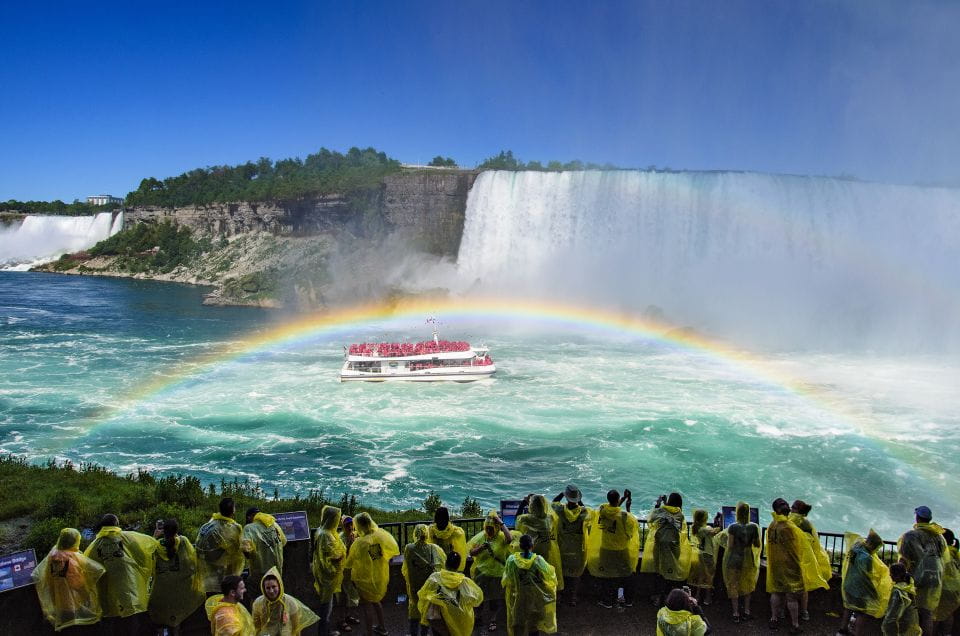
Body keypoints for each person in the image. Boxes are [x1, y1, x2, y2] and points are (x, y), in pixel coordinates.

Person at [84, 513, 160, 631]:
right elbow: (145, 553)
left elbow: (87, 569)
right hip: (129, 596)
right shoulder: (128, 538)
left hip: (107, 602)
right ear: (117, 525)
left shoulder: (94, 546)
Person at [32, 527, 106, 631]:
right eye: (78, 540)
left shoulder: (54, 554)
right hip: (72, 603)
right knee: (76, 627)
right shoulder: (68, 559)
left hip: (57, 602)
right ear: (73, 542)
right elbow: (76, 583)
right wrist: (86, 593)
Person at [343, 512, 400, 636]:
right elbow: (386, 554)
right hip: (379, 577)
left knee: (367, 606)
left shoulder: (360, 543)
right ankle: (382, 627)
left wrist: (350, 545)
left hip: (365, 580)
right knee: (376, 601)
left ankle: (369, 633)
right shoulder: (380, 536)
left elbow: (349, 563)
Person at [898, 505, 949, 635]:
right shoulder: (939, 537)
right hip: (935, 577)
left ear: (917, 518)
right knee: (927, 614)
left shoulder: (910, 536)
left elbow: (904, 558)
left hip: (917, 577)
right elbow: (942, 554)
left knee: (910, 610)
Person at [148, 518, 205, 634]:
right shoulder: (183, 541)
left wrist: (154, 536)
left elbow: (147, 559)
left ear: (163, 530)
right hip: (182, 594)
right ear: (177, 530)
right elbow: (192, 564)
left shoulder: (155, 545)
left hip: (161, 594)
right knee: (178, 616)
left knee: (158, 616)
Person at [586, 489, 639, 609]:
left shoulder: (602, 511)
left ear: (608, 499)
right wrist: (628, 507)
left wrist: (622, 500)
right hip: (621, 550)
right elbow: (631, 531)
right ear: (617, 499)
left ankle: (608, 601)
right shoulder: (625, 516)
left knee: (607, 576)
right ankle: (628, 600)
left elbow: (612, 511)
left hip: (605, 549)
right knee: (627, 575)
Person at [641, 492, 694, 607]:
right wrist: (665, 504)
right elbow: (674, 520)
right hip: (674, 546)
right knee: (670, 573)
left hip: (660, 545)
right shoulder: (680, 514)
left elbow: (651, 518)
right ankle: (669, 598)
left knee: (659, 572)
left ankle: (658, 597)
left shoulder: (661, 511)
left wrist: (659, 504)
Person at [502, 534, 558, 636]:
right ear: (532, 545)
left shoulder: (511, 560)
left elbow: (507, 580)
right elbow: (550, 576)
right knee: (533, 625)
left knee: (518, 624)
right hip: (535, 598)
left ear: (520, 546)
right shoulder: (539, 560)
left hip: (519, 598)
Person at [417, 551, 484, 636]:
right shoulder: (465, 582)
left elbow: (423, 594)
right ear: (458, 565)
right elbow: (478, 598)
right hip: (461, 620)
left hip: (441, 623)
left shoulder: (435, 578)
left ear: (445, 562)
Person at [467, 510, 513, 632]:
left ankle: (493, 619)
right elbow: (471, 552)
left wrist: (501, 522)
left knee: (495, 599)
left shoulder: (502, 537)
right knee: (480, 598)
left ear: (497, 527)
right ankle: (478, 617)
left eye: (491, 528)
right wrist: (482, 547)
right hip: (481, 574)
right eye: (487, 528)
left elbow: (510, 539)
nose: (489, 531)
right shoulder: (481, 537)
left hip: (497, 574)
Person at [839, 530, 891, 635]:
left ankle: (842, 630)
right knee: (861, 613)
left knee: (848, 608)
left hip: (848, 584)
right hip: (859, 589)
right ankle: (856, 633)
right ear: (873, 545)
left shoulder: (855, 548)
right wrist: (873, 592)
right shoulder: (867, 558)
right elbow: (866, 577)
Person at [765, 498, 805, 634]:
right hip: (789, 565)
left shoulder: (772, 524)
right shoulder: (788, 527)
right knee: (792, 596)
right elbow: (795, 548)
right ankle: (795, 624)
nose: (786, 506)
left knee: (776, 592)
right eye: (783, 505)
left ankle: (774, 618)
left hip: (776, 564)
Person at [551, 484, 594, 606]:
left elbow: (553, 503)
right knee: (576, 574)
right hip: (578, 549)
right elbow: (588, 513)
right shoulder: (583, 512)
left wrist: (561, 494)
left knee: (560, 573)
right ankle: (573, 598)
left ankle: (559, 597)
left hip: (562, 548)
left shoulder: (560, 511)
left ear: (566, 497)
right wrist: (579, 501)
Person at [789, 500, 831, 622]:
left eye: (793, 507)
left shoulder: (795, 522)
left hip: (795, 559)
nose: (791, 509)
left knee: (790, 588)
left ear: (797, 510)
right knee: (804, 588)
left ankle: (786, 612)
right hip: (805, 561)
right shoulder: (807, 524)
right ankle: (804, 611)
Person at [721, 501, 761, 624]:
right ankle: (747, 612)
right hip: (748, 560)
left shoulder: (732, 527)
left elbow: (730, 546)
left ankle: (735, 613)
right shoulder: (754, 527)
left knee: (733, 585)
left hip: (734, 559)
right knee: (748, 585)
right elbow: (757, 544)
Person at [402, 524, 445, 636]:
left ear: (415, 534)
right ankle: (424, 634)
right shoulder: (434, 549)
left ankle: (413, 634)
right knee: (426, 611)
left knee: (414, 612)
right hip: (428, 588)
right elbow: (441, 565)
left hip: (414, 588)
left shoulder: (409, 548)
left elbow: (405, 568)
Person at [251, 566, 320, 635]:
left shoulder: (290, 601)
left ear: (279, 585)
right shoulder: (258, 603)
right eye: (268, 588)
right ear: (263, 589)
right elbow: (256, 626)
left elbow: (295, 626)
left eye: (274, 587)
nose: (271, 591)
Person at [515, 494, 564, 591]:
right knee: (542, 574)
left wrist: (523, 503)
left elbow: (516, 520)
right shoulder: (549, 518)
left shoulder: (528, 519)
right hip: (546, 550)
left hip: (533, 551)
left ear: (531, 506)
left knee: (533, 575)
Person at [196, 498, 245, 593]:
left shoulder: (208, 524)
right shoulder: (234, 528)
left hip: (209, 569)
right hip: (223, 569)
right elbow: (238, 551)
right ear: (233, 511)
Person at [312, 505, 347, 636]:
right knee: (326, 607)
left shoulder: (322, 531)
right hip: (328, 576)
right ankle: (323, 632)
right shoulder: (326, 535)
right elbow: (334, 556)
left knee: (327, 605)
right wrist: (342, 555)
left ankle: (326, 630)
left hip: (326, 574)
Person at [242, 506, 287, 593]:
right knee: (275, 594)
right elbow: (284, 542)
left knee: (258, 595)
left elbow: (246, 549)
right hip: (276, 570)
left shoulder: (249, 528)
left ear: (249, 517)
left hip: (259, 571)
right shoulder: (273, 524)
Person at [686, 509, 721, 605]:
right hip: (707, 555)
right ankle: (707, 598)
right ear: (704, 518)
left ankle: (697, 596)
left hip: (700, 553)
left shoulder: (697, 528)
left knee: (701, 575)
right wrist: (720, 522)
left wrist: (715, 521)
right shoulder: (704, 529)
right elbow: (715, 531)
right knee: (709, 576)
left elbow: (711, 531)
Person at [336, 516, 362, 633]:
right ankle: (341, 621)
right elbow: (342, 557)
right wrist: (351, 544)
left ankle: (347, 617)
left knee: (349, 596)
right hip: (342, 573)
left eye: (351, 524)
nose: (350, 527)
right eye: (347, 525)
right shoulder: (341, 538)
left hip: (350, 573)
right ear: (342, 526)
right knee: (342, 597)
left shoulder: (354, 535)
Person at [882, 563, 922, 636]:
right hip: (912, 629)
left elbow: (891, 619)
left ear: (896, 575)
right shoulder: (909, 586)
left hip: (902, 630)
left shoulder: (898, 592)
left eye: (891, 573)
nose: (890, 575)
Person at [934, 528, 960, 635]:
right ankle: (947, 634)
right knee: (949, 614)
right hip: (955, 588)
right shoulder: (956, 553)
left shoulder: (940, 552)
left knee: (935, 614)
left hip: (941, 586)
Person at [427, 506, 467, 573]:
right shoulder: (455, 531)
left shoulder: (430, 530)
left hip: (436, 562)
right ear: (447, 518)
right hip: (449, 562)